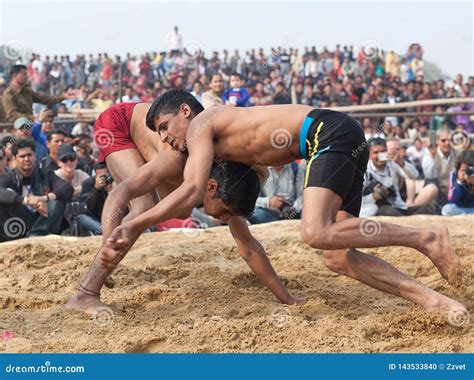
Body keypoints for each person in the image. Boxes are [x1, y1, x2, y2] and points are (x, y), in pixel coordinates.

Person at [105, 90, 465, 318]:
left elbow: (191, 188)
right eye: (158, 134)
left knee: (314, 231)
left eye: (165, 126)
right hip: (334, 139)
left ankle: (425, 238)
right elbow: (246, 243)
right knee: (337, 255)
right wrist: (286, 297)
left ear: (185, 111)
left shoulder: (202, 124)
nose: (165, 137)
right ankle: (432, 300)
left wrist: (137, 222)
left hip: (326, 133)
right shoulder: (227, 149)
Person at [67, 98, 299, 314]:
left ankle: (104, 260)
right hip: (118, 123)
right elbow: (120, 192)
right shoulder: (177, 157)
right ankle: (85, 294)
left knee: (179, 208)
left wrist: (286, 297)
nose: (224, 219)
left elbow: (248, 246)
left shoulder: (244, 170)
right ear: (210, 186)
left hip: (166, 141)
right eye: (225, 213)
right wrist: (107, 243)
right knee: (145, 206)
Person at [0, 138, 73, 241]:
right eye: (22, 156)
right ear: (15, 158)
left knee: (56, 200)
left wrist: (43, 198)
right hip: (20, 222)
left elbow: (67, 188)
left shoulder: (45, 174)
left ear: (34, 155)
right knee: (6, 198)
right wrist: (26, 201)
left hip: (44, 219)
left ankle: (35, 234)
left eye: (29, 155)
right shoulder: (9, 176)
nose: (26, 159)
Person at [2, 65, 74, 122]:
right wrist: (35, 117)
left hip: (29, 127)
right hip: (15, 129)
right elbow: (12, 115)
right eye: (24, 74)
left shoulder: (28, 91)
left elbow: (46, 99)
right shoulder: (9, 94)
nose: (26, 76)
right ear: (15, 76)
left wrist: (63, 96)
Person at [441, 151, 474, 216]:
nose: (469, 172)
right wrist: (459, 182)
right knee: (446, 209)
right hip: (460, 208)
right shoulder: (454, 174)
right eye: (465, 169)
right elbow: (452, 200)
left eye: (471, 169)